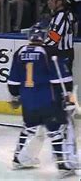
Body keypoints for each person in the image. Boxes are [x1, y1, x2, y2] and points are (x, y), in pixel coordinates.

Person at [7, 24, 77, 178]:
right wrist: (69, 97)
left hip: (28, 102)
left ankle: (18, 159)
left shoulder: (19, 52)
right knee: (57, 131)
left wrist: (16, 96)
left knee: (28, 128)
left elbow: (12, 82)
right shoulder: (49, 51)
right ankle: (63, 164)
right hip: (48, 100)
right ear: (43, 37)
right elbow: (63, 79)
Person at [44, 0, 77, 72]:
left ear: (59, 2)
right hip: (64, 52)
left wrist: (41, 45)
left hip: (62, 53)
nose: (48, 2)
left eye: (51, 0)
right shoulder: (67, 14)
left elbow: (55, 38)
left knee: (62, 81)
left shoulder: (61, 16)